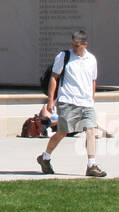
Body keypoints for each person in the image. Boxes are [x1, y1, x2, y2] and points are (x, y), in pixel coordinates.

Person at [36, 30, 106, 177]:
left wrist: (91, 99)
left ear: (85, 44)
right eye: (73, 45)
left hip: (86, 103)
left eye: (77, 46)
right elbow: (54, 78)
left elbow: (93, 80)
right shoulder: (64, 56)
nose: (74, 48)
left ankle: (91, 165)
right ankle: (45, 157)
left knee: (91, 131)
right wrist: (50, 100)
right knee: (62, 132)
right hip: (68, 101)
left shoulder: (92, 59)